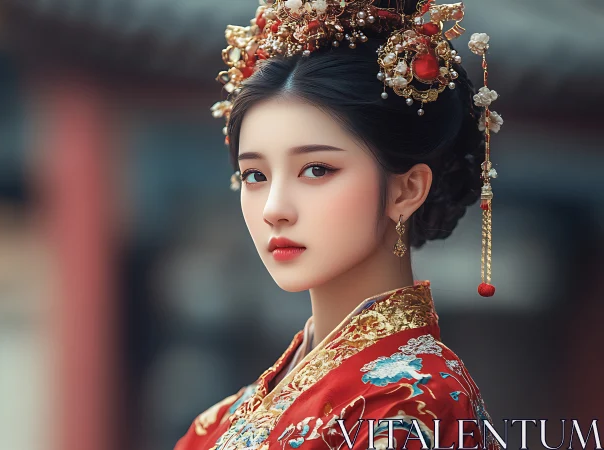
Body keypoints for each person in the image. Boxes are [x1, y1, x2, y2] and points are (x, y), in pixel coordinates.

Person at [175, 0, 504, 449]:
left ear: (407, 190)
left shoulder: (415, 399)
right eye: (255, 175)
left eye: (316, 170)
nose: (275, 208)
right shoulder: (218, 421)